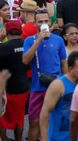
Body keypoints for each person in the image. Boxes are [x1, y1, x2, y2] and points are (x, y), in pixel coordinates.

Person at [23, 10, 68, 141]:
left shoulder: (58, 40)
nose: (43, 24)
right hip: (37, 87)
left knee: (56, 122)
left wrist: (67, 84)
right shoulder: (29, 41)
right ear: (35, 24)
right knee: (34, 122)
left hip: (56, 86)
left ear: (50, 22)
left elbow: (63, 63)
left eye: (46, 21)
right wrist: (38, 41)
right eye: (40, 21)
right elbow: (25, 61)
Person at [39, 51, 78, 141]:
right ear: (70, 69)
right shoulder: (58, 85)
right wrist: (44, 138)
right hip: (59, 137)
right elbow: (45, 112)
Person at [0, 20, 30, 141]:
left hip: (6, 88)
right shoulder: (27, 45)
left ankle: (3, 139)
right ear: (21, 31)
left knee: (2, 118)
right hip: (23, 86)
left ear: (6, 32)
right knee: (19, 117)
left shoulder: (3, 47)